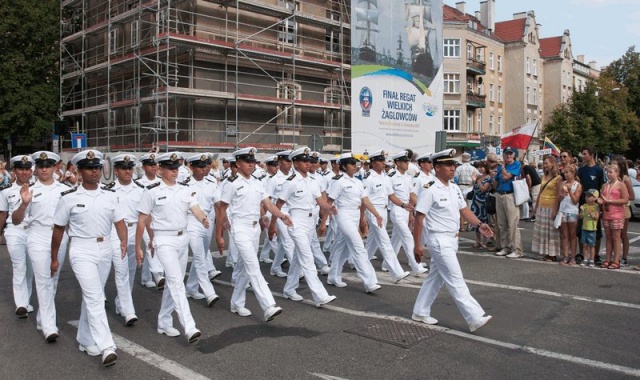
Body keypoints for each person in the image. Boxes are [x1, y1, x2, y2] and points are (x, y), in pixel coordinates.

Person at [51, 149, 128, 367]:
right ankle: (107, 346)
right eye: (89, 168)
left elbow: (119, 221)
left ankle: (84, 338)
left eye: (97, 167)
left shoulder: (111, 195)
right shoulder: (69, 198)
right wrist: (54, 257)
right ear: (79, 171)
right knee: (95, 297)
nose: (94, 172)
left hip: (104, 248)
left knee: (91, 296)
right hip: (82, 250)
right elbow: (58, 229)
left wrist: (123, 241)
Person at [411, 149, 494, 332]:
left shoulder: (454, 188)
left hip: (452, 238)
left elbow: (464, 211)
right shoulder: (429, 188)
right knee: (456, 279)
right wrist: (417, 245)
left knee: (435, 278)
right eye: (449, 165)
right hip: (438, 239)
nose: (453, 168)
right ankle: (474, 317)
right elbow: (419, 217)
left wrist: (480, 224)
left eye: (454, 164)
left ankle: (420, 311)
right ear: (437, 167)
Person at [135, 152, 206, 343]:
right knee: (175, 282)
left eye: (176, 168)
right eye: (170, 168)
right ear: (161, 170)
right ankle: (189, 327)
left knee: (175, 282)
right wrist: (138, 247)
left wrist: (203, 218)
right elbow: (141, 220)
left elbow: (195, 208)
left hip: (182, 238)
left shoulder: (184, 189)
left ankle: (164, 321)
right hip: (164, 240)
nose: (174, 171)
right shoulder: (151, 191)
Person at [216, 147, 288, 322]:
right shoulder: (231, 183)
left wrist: (281, 215)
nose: (251, 165)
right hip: (239, 228)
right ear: (238, 164)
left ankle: (236, 303)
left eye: (253, 162)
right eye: (247, 162)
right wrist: (219, 235)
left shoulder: (257, 182)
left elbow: (268, 204)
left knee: (243, 268)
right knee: (253, 265)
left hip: (255, 228)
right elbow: (221, 209)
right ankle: (268, 305)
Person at [12, 151, 70, 343]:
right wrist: (23, 204)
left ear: (55, 167)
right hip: (37, 235)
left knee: (53, 279)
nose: (44, 169)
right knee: (43, 280)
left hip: (60, 235)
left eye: (48, 166)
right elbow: (16, 220)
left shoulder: (65, 189)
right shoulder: (30, 189)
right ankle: (49, 326)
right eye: (41, 166)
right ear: (36, 168)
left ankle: (41, 318)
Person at [272, 147, 337, 306]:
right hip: (296, 222)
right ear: (295, 163)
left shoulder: (312, 181)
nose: (309, 164)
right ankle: (320, 295)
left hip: (310, 223)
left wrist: (329, 208)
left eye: (310, 161)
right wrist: (273, 225)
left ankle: (289, 288)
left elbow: (320, 201)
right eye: (304, 161)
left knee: (297, 259)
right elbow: (278, 204)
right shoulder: (291, 182)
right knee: (308, 259)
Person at [325, 152, 384, 293]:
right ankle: (370, 282)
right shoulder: (339, 181)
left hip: (355, 215)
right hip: (343, 215)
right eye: (352, 164)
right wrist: (324, 222)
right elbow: (328, 201)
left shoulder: (358, 182)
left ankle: (333, 276)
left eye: (355, 163)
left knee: (342, 247)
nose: (355, 166)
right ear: (344, 166)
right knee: (358, 247)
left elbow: (365, 200)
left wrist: (376, 214)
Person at [362, 149, 411, 282]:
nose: (384, 163)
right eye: (380, 160)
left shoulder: (385, 176)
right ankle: (396, 272)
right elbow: (364, 198)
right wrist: (363, 218)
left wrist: (402, 205)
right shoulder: (368, 178)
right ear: (373, 162)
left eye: (384, 160)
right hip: (374, 211)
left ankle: (359, 262)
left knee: (373, 241)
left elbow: (391, 195)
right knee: (384, 242)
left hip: (384, 211)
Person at [105, 154, 143, 326]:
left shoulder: (141, 189)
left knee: (131, 270)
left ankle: (121, 303)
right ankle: (129, 311)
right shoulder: (109, 190)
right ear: (116, 171)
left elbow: (145, 215)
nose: (127, 171)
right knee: (121, 271)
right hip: (116, 232)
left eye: (130, 168)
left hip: (134, 230)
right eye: (123, 168)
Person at [183, 153, 221, 307]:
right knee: (199, 257)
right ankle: (209, 292)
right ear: (192, 167)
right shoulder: (185, 184)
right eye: (200, 166)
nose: (205, 169)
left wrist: (224, 221)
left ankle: (191, 288)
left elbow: (218, 204)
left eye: (206, 166)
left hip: (208, 221)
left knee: (202, 254)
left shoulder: (212, 182)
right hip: (191, 221)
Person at [0, 155, 35, 318]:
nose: (24, 172)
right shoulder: (6, 191)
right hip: (15, 231)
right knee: (19, 266)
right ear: (14, 171)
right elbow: (3, 214)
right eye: (21, 168)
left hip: (35, 231)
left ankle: (26, 301)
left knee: (31, 268)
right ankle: (20, 304)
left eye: (27, 168)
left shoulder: (39, 189)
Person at [389, 150, 428, 275]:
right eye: (404, 161)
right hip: (397, 210)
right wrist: (402, 205)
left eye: (408, 161)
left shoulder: (407, 177)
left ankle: (387, 263)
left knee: (396, 239)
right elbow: (390, 195)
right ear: (397, 163)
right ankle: (416, 265)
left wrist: (419, 206)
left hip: (406, 210)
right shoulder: (391, 176)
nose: (407, 164)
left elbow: (411, 194)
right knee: (407, 237)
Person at [135, 153, 164, 289]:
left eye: (155, 164)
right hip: (145, 218)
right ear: (144, 167)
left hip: (159, 219)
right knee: (150, 244)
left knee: (151, 248)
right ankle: (158, 275)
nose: (154, 167)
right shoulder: (139, 184)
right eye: (150, 165)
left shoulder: (161, 181)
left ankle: (146, 277)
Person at [267, 150, 295, 278]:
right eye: (286, 161)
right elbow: (267, 200)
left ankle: (275, 267)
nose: (289, 164)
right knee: (288, 241)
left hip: (292, 210)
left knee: (284, 243)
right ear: (280, 162)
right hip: (279, 211)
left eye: (290, 161)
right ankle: (297, 270)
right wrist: (269, 219)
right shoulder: (273, 180)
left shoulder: (294, 177)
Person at [492, 147, 523, 258]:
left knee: (513, 223)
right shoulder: (501, 167)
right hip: (500, 194)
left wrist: (503, 167)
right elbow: (495, 182)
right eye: (506, 154)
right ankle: (505, 246)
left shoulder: (516, 165)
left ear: (513, 155)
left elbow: (506, 177)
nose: (508, 156)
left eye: (510, 154)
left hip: (510, 195)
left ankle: (517, 249)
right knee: (502, 224)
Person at [576, 147, 605, 264]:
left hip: (594, 205)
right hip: (583, 203)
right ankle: (582, 253)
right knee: (581, 229)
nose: (583, 156)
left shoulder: (598, 170)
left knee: (595, 230)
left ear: (591, 155)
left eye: (585, 154)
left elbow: (602, 187)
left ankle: (596, 255)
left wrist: (600, 202)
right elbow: (579, 185)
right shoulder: (581, 170)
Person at [598, 164, 629, 270]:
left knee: (616, 237)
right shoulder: (605, 185)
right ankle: (607, 259)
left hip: (617, 214)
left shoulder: (621, 185)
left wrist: (610, 201)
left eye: (611, 172)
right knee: (608, 237)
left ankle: (616, 260)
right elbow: (602, 199)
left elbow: (625, 200)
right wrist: (600, 201)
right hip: (607, 214)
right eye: (608, 172)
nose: (609, 174)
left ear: (617, 173)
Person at [532, 156, 562, 262]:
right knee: (543, 231)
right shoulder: (544, 176)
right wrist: (536, 205)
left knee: (551, 231)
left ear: (553, 164)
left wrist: (555, 209)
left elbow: (558, 195)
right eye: (544, 163)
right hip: (542, 206)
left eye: (547, 163)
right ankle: (545, 252)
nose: (545, 165)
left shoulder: (558, 178)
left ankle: (552, 254)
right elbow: (540, 191)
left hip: (551, 205)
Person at [558, 165, 582, 265]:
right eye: (565, 173)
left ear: (573, 173)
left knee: (572, 235)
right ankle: (565, 256)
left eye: (568, 172)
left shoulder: (577, 185)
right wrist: (562, 194)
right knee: (564, 235)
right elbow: (559, 199)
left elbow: (575, 200)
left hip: (572, 211)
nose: (566, 175)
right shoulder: (562, 183)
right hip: (563, 210)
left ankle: (573, 256)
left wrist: (570, 191)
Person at [258, 155, 279, 264]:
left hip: (275, 208)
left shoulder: (278, 178)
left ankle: (264, 255)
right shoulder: (262, 179)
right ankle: (279, 256)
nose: (276, 168)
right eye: (273, 165)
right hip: (265, 209)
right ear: (267, 166)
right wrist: (263, 215)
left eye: (277, 165)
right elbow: (262, 199)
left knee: (269, 235)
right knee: (272, 234)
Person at [615, 158, 635, 266]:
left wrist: (621, 198)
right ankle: (615, 257)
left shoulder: (625, 179)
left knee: (623, 234)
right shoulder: (612, 178)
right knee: (614, 234)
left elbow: (632, 196)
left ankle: (624, 257)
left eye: (615, 165)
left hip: (624, 209)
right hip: (614, 209)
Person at [470, 160, 492, 249]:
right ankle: (478, 241)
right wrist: (473, 180)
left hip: (483, 201)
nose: (480, 169)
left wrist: (478, 181)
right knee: (477, 222)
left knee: (484, 221)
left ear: (486, 168)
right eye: (479, 167)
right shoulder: (479, 176)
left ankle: (485, 242)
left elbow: (483, 189)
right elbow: (473, 187)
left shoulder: (488, 178)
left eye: (482, 167)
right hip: (476, 201)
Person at [580, 189, 600, 267]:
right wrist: (582, 211)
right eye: (586, 196)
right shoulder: (584, 206)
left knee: (592, 245)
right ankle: (585, 259)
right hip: (584, 227)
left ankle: (591, 259)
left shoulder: (596, 206)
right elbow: (581, 217)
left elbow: (596, 217)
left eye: (589, 196)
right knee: (585, 245)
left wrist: (592, 214)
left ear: (594, 198)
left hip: (592, 229)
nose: (586, 197)